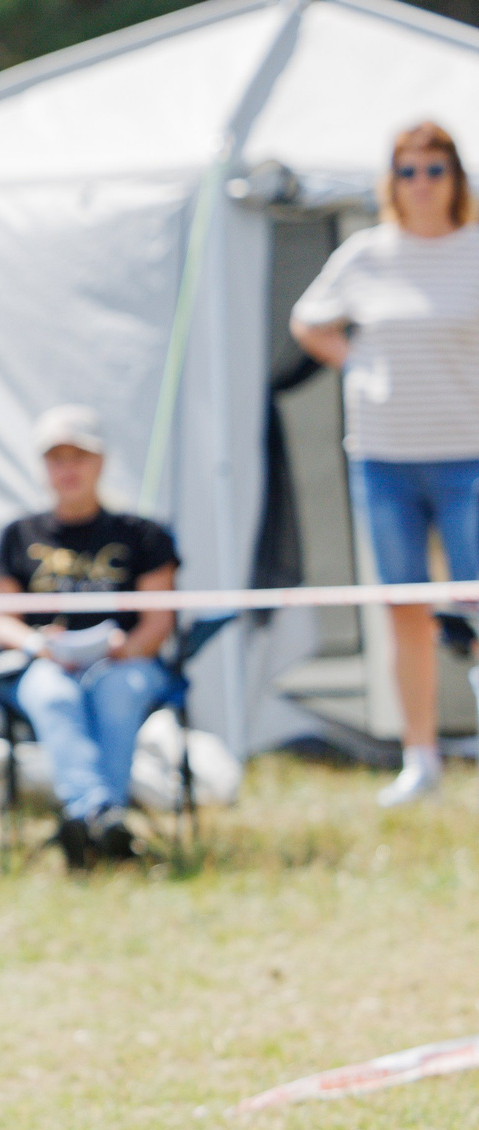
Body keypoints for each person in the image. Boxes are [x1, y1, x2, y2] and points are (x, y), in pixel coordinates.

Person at [292, 120, 479, 807]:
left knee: (475, 605)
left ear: (455, 178)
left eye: (435, 169)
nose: (422, 184)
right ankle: (420, 757)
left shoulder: (474, 250)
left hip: (468, 455)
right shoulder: (366, 255)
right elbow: (308, 320)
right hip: (384, 457)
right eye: (409, 170)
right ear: (391, 180)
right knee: (403, 609)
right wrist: (358, 364)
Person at [0, 407, 179, 868]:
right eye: (57, 458)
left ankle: (84, 821)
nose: (68, 469)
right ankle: (104, 816)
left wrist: (124, 650)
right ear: (44, 467)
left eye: (79, 457)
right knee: (53, 696)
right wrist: (38, 645)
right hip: (48, 662)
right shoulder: (19, 534)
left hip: (126, 662)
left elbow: (159, 620)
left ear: (101, 462)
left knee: (117, 691)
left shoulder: (143, 535)